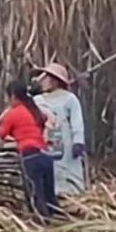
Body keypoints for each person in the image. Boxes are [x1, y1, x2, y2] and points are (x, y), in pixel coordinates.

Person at [0, 81, 57, 222]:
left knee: (35, 197)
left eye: (7, 97)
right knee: (49, 197)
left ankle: (43, 227)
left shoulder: (13, 114)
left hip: (31, 157)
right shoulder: (35, 110)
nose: (6, 100)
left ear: (13, 96)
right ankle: (58, 222)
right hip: (46, 156)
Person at [32, 62, 87, 196]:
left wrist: (78, 142)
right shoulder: (37, 100)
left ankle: (71, 192)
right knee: (49, 167)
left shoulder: (69, 99)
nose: (42, 81)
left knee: (67, 167)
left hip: (65, 141)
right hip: (44, 140)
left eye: (46, 78)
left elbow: (76, 121)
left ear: (55, 81)